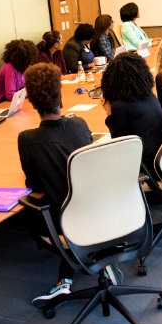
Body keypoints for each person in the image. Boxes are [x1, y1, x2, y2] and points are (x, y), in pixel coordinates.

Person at [16, 63, 93, 306]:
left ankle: (66, 273)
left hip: (64, 221)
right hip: (99, 211)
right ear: (59, 94)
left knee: (32, 207)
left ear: (31, 99)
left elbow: (33, 184)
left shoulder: (27, 139)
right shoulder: (80, 124)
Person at [101, 52, 162, 173]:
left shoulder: (120, 106)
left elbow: (119, 145)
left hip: (147, 166)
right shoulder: (149, 95)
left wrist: (109, 112)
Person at [0, 39, 37, 103]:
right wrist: (30, 93)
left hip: (16, 102)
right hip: (1, 103)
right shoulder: (9, 68)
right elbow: (10, 96)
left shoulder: (21, 67)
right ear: (23, 58)